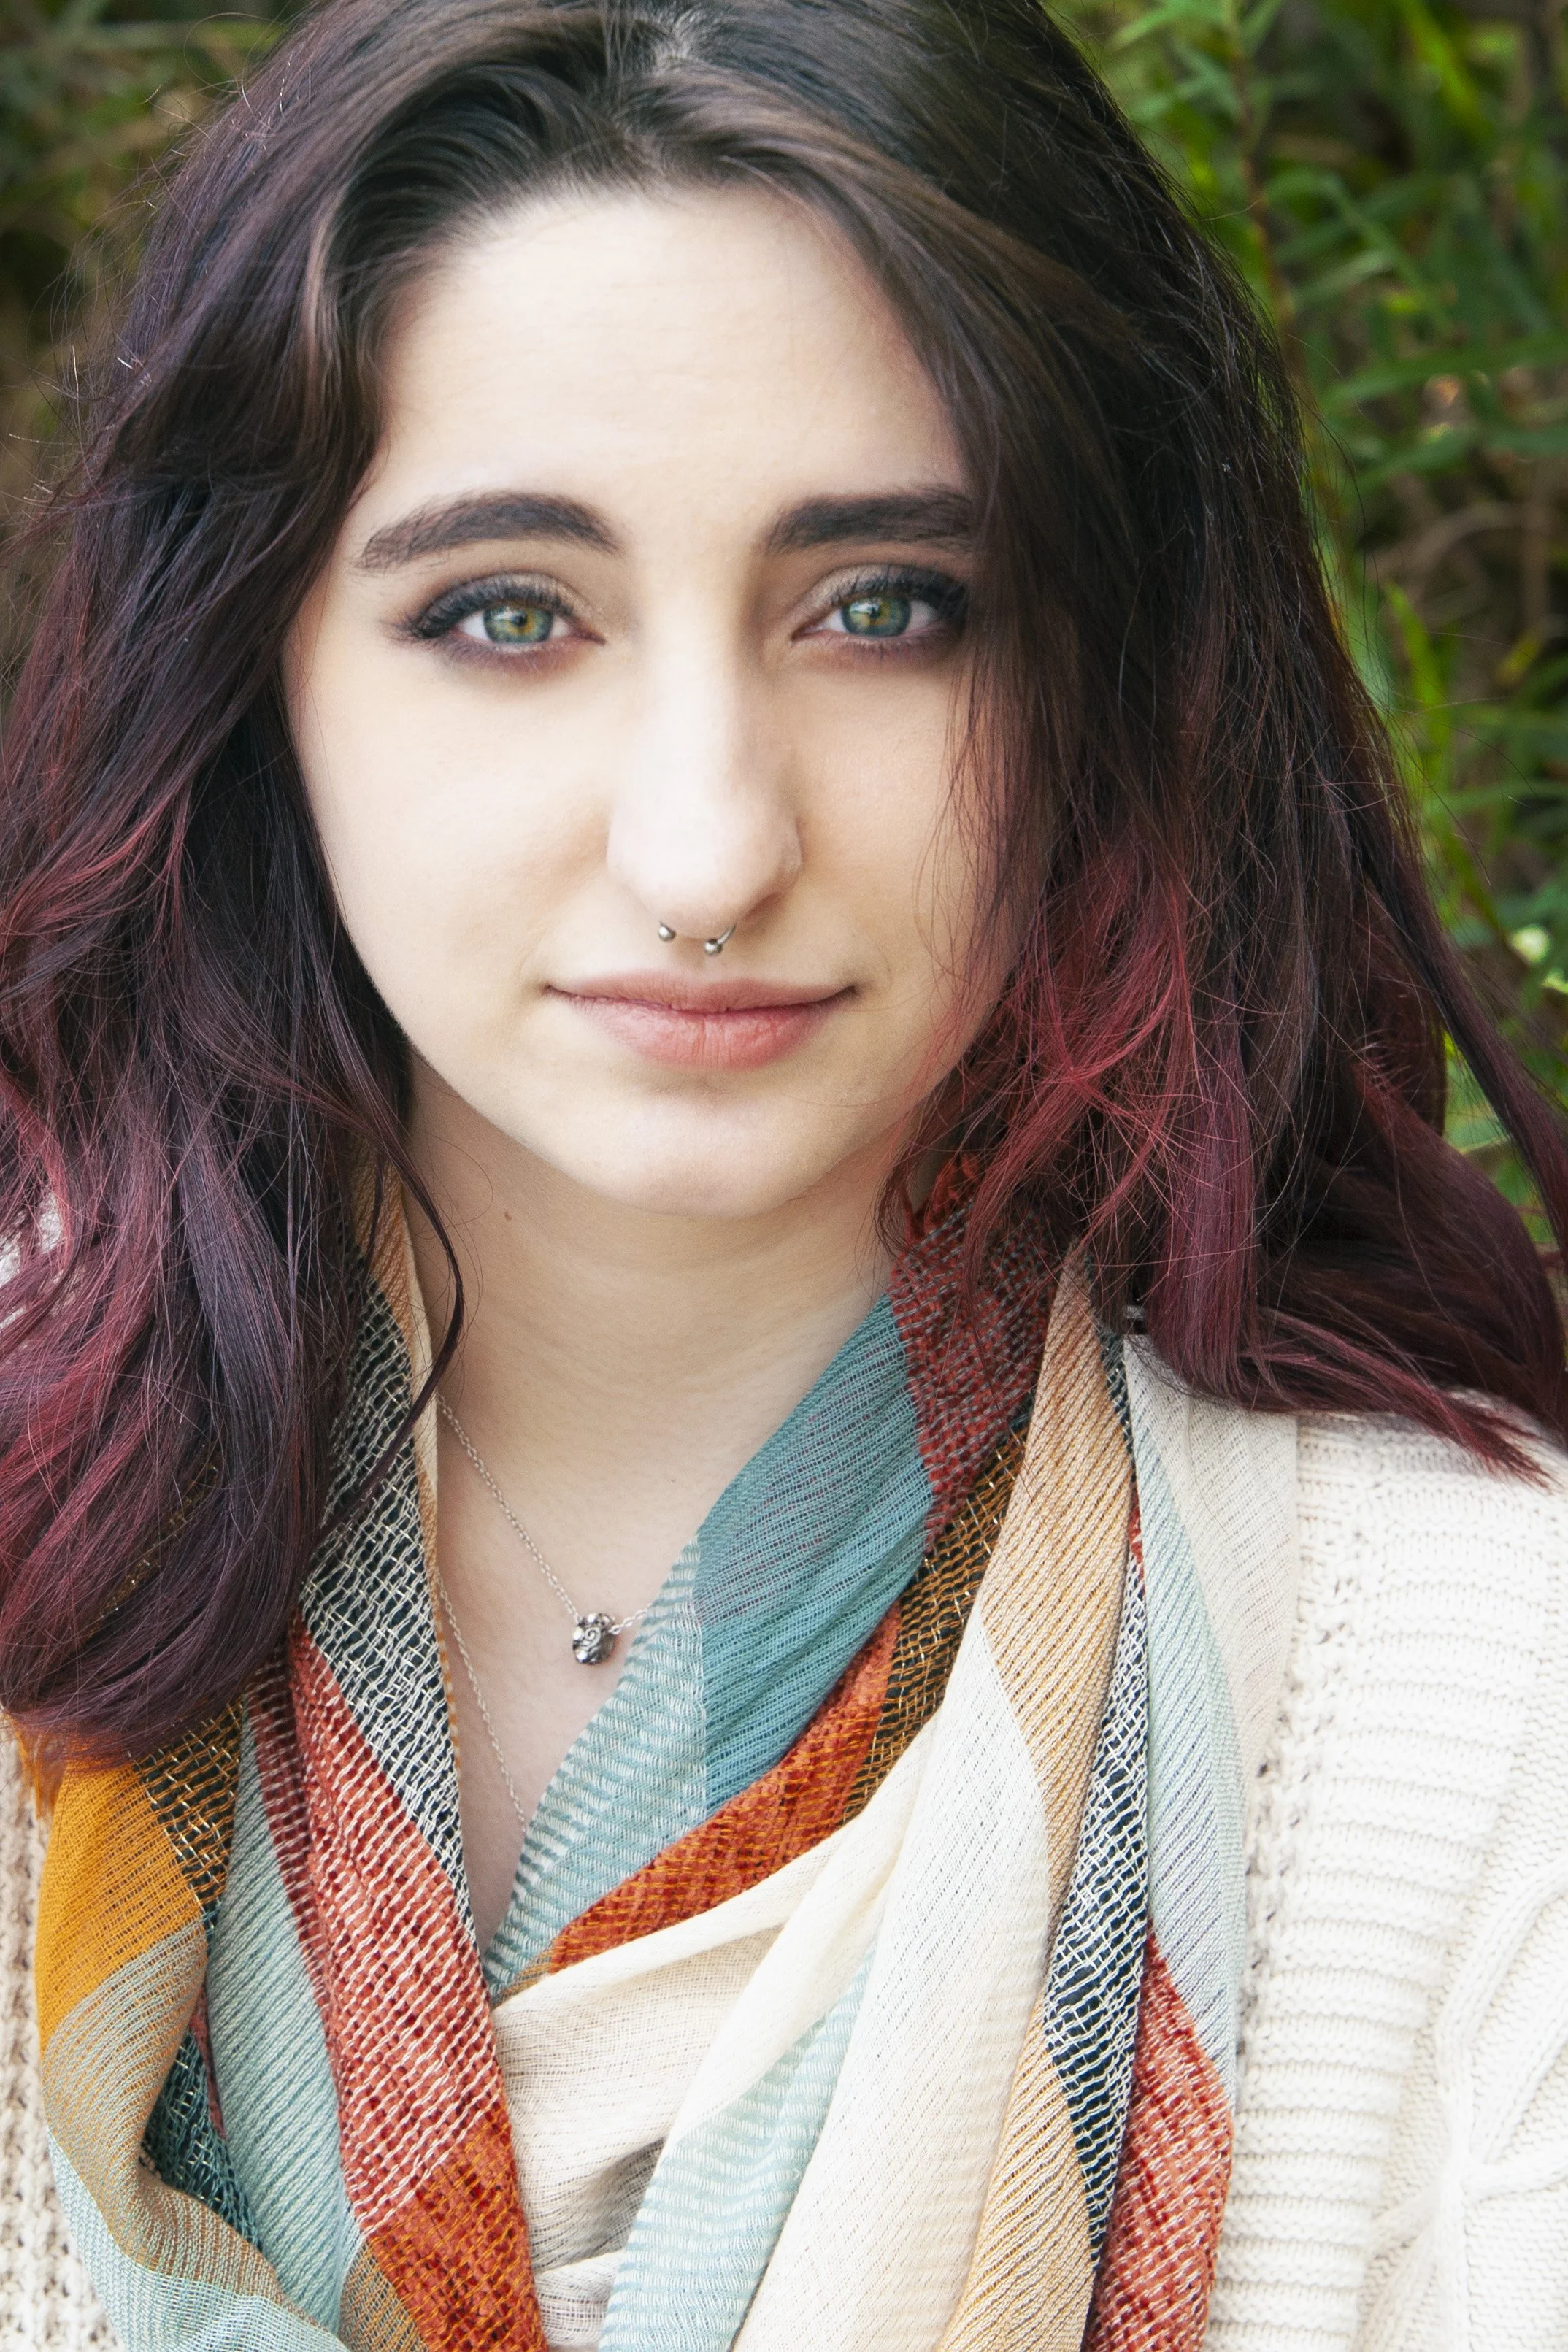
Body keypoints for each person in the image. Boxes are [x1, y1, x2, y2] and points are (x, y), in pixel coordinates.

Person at [2, 0, 1566, 2343]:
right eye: (506, 613)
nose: (707, 840)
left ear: (1103, 678)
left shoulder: (1476, 1697)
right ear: (254, 679)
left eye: (887, 610)